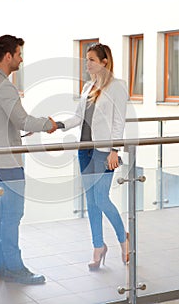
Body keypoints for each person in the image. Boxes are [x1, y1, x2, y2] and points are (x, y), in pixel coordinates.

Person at [0, 34, 57, 284]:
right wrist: (48, 124)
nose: (21, 59)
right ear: (8, 56)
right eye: (19, 54)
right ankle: (14, 268)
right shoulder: (5, 86)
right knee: (12, 216)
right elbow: (23, 119)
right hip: (9, 164)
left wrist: (10, 131)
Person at [57, 43, 129, 271]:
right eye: (86, 59)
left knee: (101, 198)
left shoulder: (117, 87)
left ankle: (124, 239)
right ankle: (98, 247)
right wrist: (58, 124)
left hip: (105, 151)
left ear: (104, 61)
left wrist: (115, 151)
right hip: (84, 149)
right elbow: (78, 118)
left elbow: (119, 121)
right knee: (91, 201)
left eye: (91, 60)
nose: (86, 64)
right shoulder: (88, 86)